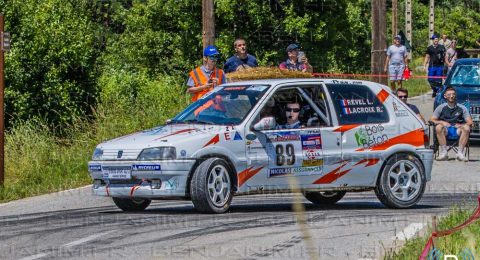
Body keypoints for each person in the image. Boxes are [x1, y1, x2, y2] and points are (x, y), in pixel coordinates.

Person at [430, 87, 472, 161]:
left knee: (467, 128)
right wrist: (442, 122)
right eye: (449, 94)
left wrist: (461, 125)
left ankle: (460, 154)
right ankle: (444, 153)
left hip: (458, 130)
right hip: (445, 130)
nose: (451, 96)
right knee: (438, 127)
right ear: (445, 96)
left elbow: (470, 122)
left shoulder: (462, 108)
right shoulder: (441, 107)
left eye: (453, 94)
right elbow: (432, 120)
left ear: (456, 95)